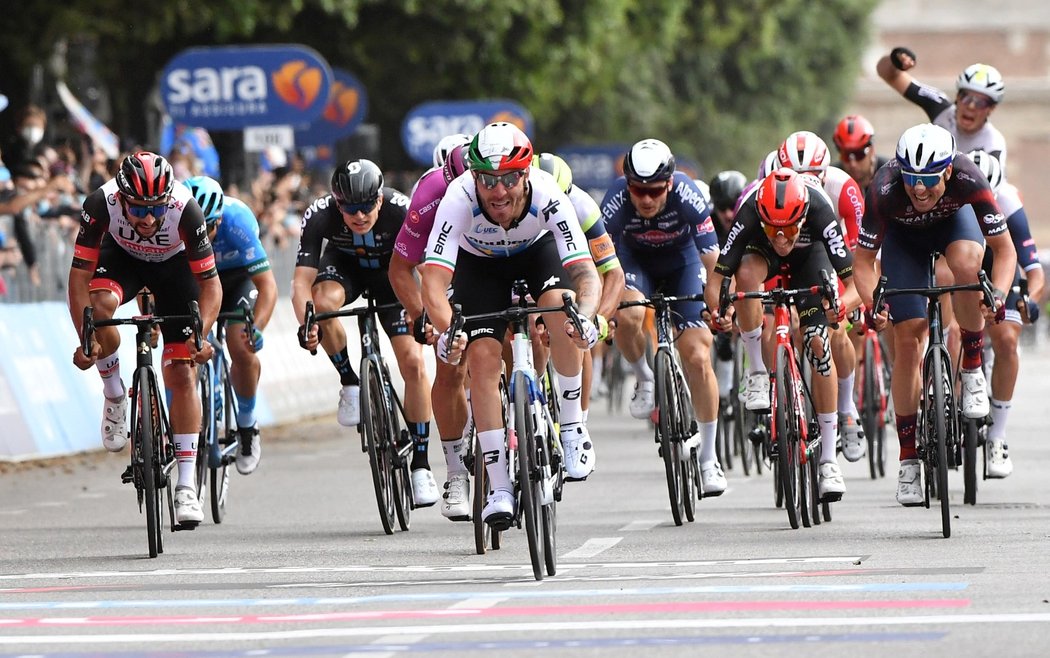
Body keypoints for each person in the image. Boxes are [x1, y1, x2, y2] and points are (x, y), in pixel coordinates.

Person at [421, 122, 601, 528]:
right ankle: (499, 485)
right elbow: (433, 283)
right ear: (474, 177)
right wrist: (451, 331)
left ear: (525, 174)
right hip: (479, 265)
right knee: (481, 358)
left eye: (507, 180)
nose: (497, 192)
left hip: (536, 253)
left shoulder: (549, 196)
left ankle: (572, 426)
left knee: (562, 308)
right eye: (487, 180)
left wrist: (587, 316)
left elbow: (587, 274)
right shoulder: (458, 198)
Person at [853, 124, 1016, 506]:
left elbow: (1004, 251)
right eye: (911, 179)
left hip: (953, 229)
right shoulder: (884, 187)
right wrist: (872, 303)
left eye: (928, 179)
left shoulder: (968, 176)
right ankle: (909, 458)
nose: (919, 189)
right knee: (907, 341)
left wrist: (1000, 295)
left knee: (967, 266)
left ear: (947, 171)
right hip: (903, 242)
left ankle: (972, 368)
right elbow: (862, 263)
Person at [68, 152, 221, 526]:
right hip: (122, 260)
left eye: (155, 209)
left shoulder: (186, 209)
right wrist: (86, 339)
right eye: (138, 210)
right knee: (101, 303)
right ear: (121, 199)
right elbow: (77, 280)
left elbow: (210, 286)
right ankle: (115, 393)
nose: (148, 219)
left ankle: (186, 485)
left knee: (182, 373)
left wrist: (199, 336)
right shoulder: (99, 204)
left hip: (174, 267)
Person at [292, 159, 438, 507]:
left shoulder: (402, 210)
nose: (359, 216)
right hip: (344, 269)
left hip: (394, 278)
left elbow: (427, 270)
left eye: (366, 206)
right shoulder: (319, 214)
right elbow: (301, 281)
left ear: (380, 199)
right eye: (349, 208)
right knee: (322, 302)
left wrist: (426, 316)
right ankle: (350, 381)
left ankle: (421, 465)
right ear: (336, 203)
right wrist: (306, 324)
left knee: (414, 364)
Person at [706, 168, 859, 502]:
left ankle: (830, 461)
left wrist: (843, 307)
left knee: (819, 342)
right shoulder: (748, 211)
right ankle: (758, 372)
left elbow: (857, 277)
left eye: (789, 229)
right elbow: (718, 278)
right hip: (764, 262)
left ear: (802, 216)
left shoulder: (818, 208)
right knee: (745, 275)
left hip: (810, 258)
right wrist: (720, 311)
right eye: (773, 228)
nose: (781, 237)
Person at [600, 138, 728, 496]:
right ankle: (643, 377)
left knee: (699, 356)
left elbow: (712, 264)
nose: (645, 199)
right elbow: (600, 267)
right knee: (629, 315)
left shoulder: (689, 196)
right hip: (633, 264)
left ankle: (709, 457)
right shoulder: (614, 201)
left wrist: (719, 307)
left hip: (683, 264)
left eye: (654, 191)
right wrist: (602, 311)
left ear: (669, 184)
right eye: (638, 190)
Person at [389, 144, 475, 519]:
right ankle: (456, 471)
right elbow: (403, 268)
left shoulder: (506, 188)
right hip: (448, 266)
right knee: (451, 362)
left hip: (497, 259)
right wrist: (424, 314)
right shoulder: (429, 194)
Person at [776, 130, 866, 463]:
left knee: (836, 328)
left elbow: (858, 256)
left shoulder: (843, 188)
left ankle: (845, 408)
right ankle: (781, 388)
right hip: (782, 245)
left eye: (812, 177)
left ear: (824, 173)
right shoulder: (772, 178)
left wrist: (851, 302)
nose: (805, 184)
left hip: (829, 251)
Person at [185, 176, 278, 475]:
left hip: (238, 279)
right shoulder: (174, 223)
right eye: (194, 227)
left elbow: (268, 286)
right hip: (198, 281)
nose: (202, 235)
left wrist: (258, 327)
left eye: (208, 226)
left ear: (219, 219)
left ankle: (247, 426)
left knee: (241, 345)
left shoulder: (238, 220)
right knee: (190, 346)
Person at [961, 150, 1043, 478]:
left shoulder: (1008, 203)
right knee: (952, 327)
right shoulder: (949, 199)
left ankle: (997, 436)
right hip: (961, 259)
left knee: (1007, 340)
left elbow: (1033, 272)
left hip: (998, 266)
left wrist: (1030, 300)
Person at [533, 152, 625, 414]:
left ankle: (579, 422)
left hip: (573, 266)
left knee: (578, 328)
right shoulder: (518, 202)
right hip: (532, 260)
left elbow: (612, 272)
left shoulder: (583, 206)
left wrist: (599, 319)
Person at [876, 48, 1008, 175]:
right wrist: (895, 60)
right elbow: (886, 73)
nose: (971, 106)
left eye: (981, 102)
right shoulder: (940, 107)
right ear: (957, 96)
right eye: (966, 97)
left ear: (991, 109)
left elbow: (991, 188)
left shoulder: (993, 142)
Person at [833, 114, 889, 192]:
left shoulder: (890, 174)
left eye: (859, 155)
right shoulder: (832, 177)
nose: (853, 164)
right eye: (846, 156)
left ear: (871, 151)